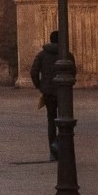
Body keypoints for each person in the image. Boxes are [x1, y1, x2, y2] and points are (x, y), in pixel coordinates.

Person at [30, 31, 59, 160]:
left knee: (51, 120)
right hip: (63, 93)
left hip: (47, 92)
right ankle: (59, 144)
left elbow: (33, 72)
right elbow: (73, 71)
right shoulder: (67, 55)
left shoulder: (41, 55)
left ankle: (53, 151)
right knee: (67, 121)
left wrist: (40, 86)